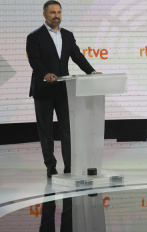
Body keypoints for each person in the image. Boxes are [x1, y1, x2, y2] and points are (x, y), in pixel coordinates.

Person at [26, 1, 102, 178]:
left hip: (63, 91)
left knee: (67, 130)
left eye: (59, 12)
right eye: (52, 12)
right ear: (44, 14)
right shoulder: (34, 37)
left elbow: (77, 56)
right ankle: (50, 166)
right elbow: (34, 61)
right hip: (43, 90)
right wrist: (46, 74)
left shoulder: (68, 35)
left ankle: (70, 166)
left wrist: (91, 71)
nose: (56, 16)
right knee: (46, 131)